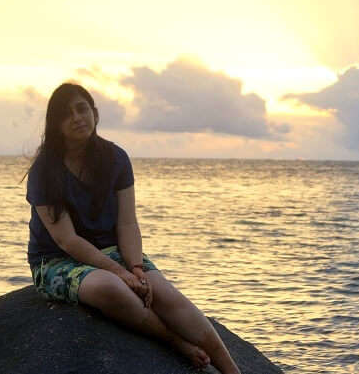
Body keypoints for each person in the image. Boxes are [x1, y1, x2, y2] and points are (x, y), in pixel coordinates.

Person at [26, 83, 241, 374]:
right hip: (55, 260)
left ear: (95, 113)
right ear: (55, 124)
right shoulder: (45, 170)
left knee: (165, 294)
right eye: (66, 114)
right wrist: (120, 273)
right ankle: (176, 342)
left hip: (114, 251)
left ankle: (232, 370)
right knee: (111, 288)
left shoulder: (115, 158)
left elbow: (127, 222)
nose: (77, 118)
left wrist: (136, 267)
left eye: (82, 109)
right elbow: (67, 240)